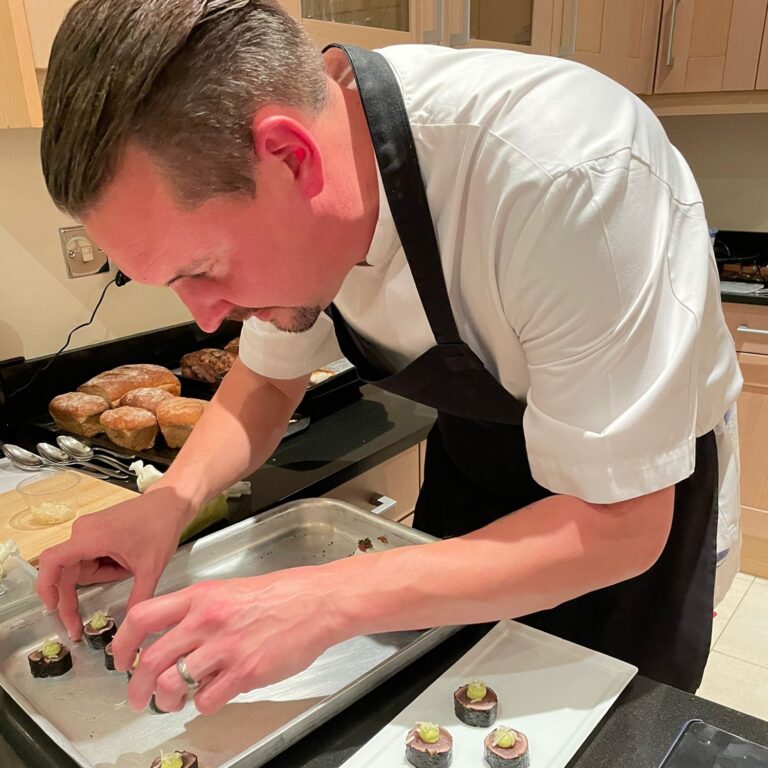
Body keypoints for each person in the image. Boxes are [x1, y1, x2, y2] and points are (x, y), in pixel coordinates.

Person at [37, 0, 741, 715]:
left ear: (290, 157)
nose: (206, 315)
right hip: (476, 470)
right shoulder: (320, 156)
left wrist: (321, 602)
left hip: (627, 512)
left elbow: (620, 528)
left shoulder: (566, 175)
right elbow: (267, 380)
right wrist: (168, 502)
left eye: (204, 268)